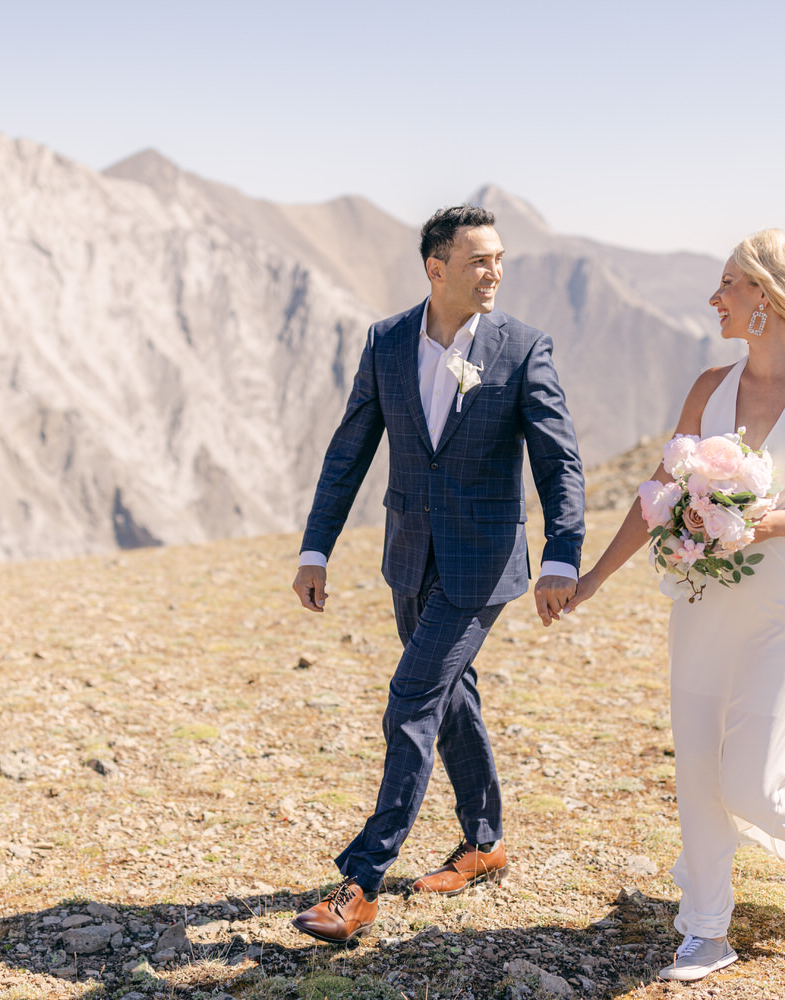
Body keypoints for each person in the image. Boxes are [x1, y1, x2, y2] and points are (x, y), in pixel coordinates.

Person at [565, 229, 785, 981]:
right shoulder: (709, 388)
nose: (714, 299)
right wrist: (593, 579)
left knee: (752, 777)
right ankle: (706, 928)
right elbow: (657, 495)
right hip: (703, 600)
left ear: (766, 299)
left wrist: (771, 521)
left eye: (728, 285)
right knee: (698, 768)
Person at [287, 205, 586, 944]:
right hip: (408, 556)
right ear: (436, 268)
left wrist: (561, 553)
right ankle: (484, 844)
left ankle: (360, 884)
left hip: (483, 565)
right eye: (480, 260)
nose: (495, 272)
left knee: (411, 700)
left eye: (500, 259)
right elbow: (349, 448)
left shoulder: (524, 347)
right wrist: (316, 547)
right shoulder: (387, 341)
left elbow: (558, 458)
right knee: (452, 699)